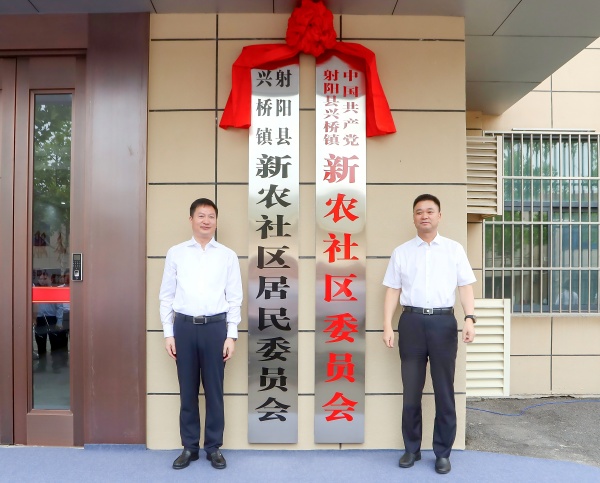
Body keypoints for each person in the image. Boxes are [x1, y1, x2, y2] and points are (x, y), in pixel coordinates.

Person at [382, 194, 476, 475]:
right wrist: (387, 324)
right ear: (413, 217)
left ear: (439, 216)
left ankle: (443, 452)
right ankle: (411, 449)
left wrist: (469, 318)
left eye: (430, 211)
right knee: (411, 390)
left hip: (443, 323)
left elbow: (465, 286)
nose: (424, 215)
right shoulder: (401, 252)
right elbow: (393, 290)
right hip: (411, 322)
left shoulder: (454, 250)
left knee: (444, 390)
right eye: (419, 211)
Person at [159, 198, 243, 471]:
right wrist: (168, 333)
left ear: (216, 221)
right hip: (183, 328)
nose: (206, 221)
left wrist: (231, 335)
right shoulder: (176, 253)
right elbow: (166, 296)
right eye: (201, 215)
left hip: (216, 328)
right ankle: (189, 447)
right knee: (187, 390)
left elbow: (235, 298)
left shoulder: (227, 255)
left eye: (211, 216)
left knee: (215, 391)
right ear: (191, 220)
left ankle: (214, 447)